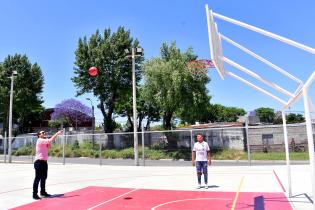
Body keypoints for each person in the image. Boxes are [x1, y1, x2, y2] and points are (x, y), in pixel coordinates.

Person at [32, 130, 63, 200]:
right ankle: (34, 194)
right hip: (38, 162)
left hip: (44, 162)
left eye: (44, 133)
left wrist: (48, 142)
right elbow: (50, 140)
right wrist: (57, 133)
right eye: (42, 133)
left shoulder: (44, 141)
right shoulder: (39, 140)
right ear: (39, 135)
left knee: (44, 178)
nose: (44, 133)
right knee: (37, 178)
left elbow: (49, 147)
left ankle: (43, 192)